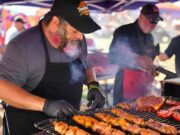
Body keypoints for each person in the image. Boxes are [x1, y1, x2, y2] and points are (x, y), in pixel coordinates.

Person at [0, 0, 105, 134]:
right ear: (55, 22)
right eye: (75, 30)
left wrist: (93, 84)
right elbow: (2, 88)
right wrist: (45, 105)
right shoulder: (22, 46)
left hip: (69, 128)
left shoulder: (77, 39)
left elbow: (86, 63)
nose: (80, 36)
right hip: (28, 129)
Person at [108, 4, 163, 105]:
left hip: (144, 84)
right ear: (141, 16)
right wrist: (136, 58)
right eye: (151, 20)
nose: (153, 25)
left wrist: (152, 68)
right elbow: (112, 56)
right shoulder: (124, 31)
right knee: (122, 113)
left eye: (156, 21)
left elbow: (149, 61)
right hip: (126, 83)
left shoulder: (150, 37)